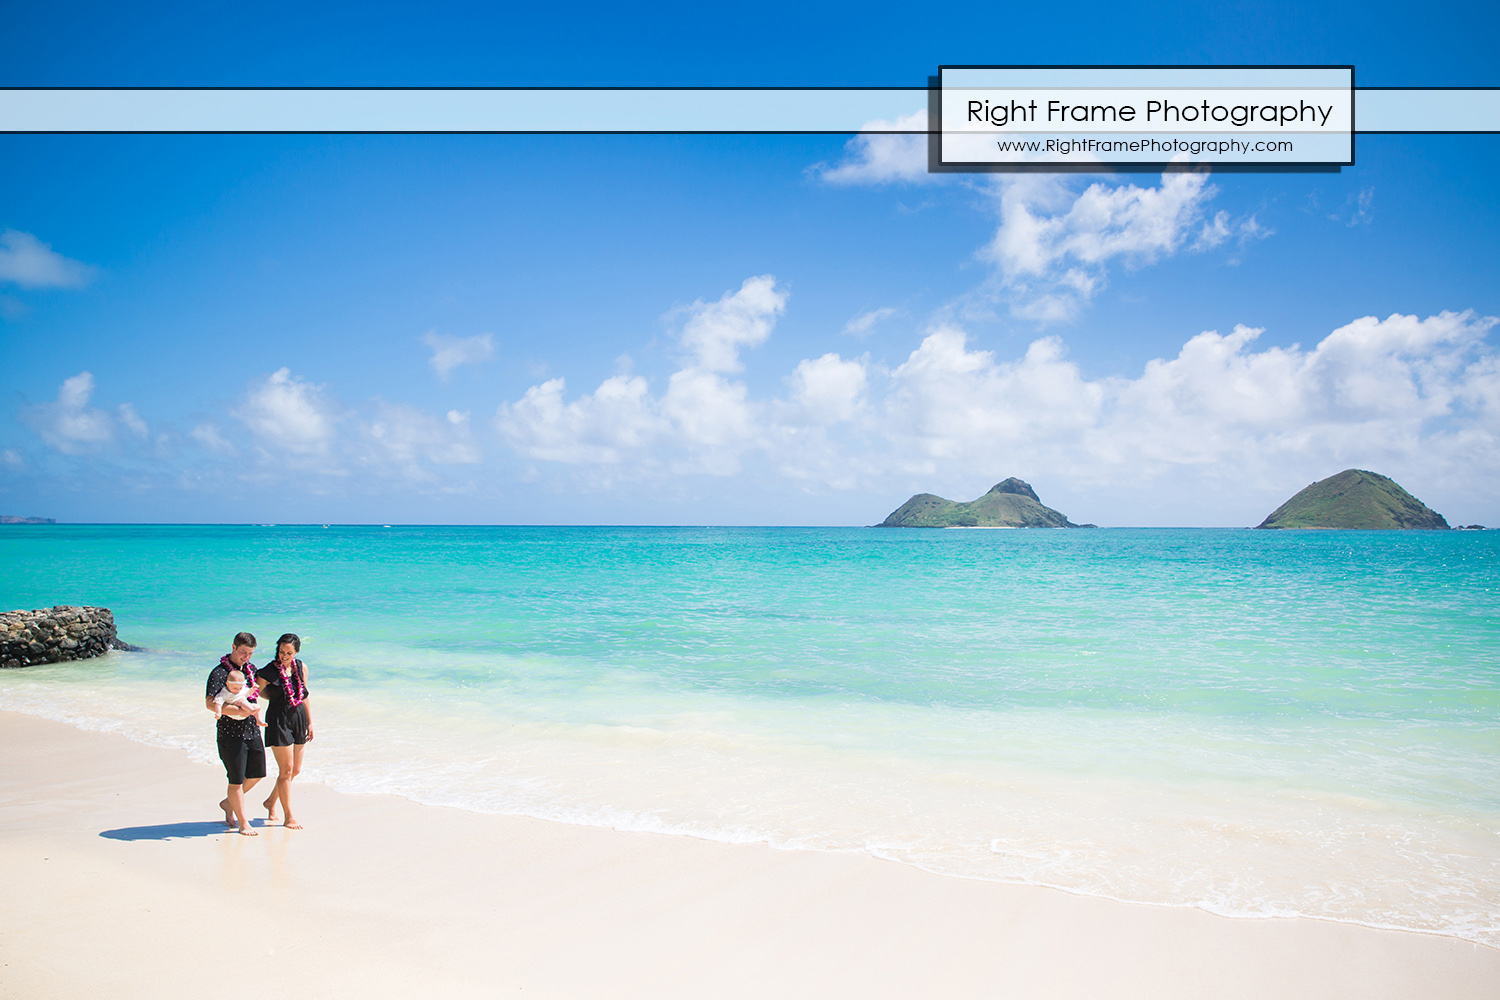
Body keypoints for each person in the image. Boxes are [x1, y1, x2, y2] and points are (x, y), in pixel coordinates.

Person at [205, 632, 266, 836]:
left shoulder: (251, 670)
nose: (246, 657)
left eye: (250, 654)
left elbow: (256, 694)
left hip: (251, 729)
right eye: (243, 652)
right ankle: (242, 822)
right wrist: (237, 711)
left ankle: (228, 803)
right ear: (233, 647)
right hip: (230, 733)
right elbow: (210, 703)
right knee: (236, 780)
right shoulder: (219, 673)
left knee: (258, 773)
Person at [257, 632, 313, 830]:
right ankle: (288, 817)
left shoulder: (301, 667)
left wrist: (310, 722)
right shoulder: (268, 672)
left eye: (289, 653)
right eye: (281, 651)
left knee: (295, 770)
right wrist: (275, 697)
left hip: (298, 718)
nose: (284, 656)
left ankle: (270, 801)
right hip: (278, 720)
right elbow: (257, 691)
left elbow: (304, 694)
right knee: (286, 770)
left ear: (296, 652)